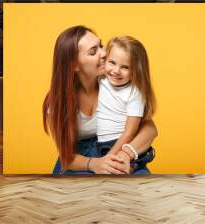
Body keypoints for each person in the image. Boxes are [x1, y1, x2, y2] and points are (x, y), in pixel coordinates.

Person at [42, 25, 157, 175]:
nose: (104, 53)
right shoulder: (57, 103)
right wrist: (95, 164)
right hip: (82, 161)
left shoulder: (114, 81)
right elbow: (66, 158)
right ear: (74, 65)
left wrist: (123, 155)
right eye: (93, 51)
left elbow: (150, 129)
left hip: (119, 149)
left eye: (101, 45)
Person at [96, 36, 156, 173]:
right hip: (99, 144)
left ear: (136, 70)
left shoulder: (134, 92)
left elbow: (130, 131)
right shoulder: (101, 79)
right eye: (112, 62)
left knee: (127, 173)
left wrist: (111, 154)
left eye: (125, 67)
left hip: (121, 143)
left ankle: (136, 164)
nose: (116, 71)